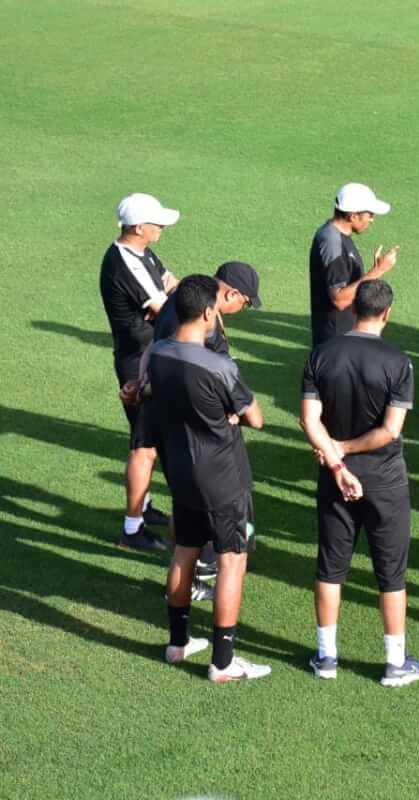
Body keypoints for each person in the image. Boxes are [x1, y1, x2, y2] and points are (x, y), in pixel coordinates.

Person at [300, 280, 419, 688]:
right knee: (390, 572)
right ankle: (395, 664)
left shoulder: (322, 354)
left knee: (331, 567)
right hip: (385, 479)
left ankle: (326, 657)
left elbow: (309, 420)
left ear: (354, 308)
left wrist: (338, 461)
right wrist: (347, 448)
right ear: (387, 313)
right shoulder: (399, 362)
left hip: (335, 477)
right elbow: (390, 431)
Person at [151, 275, 268, 682]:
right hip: (223, 475)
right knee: (232, 560)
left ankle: (178, 644)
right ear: (206, 312)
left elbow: (145, 393)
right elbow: (255, 416)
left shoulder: (158, 352)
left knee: (184, 549)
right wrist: (233, 413)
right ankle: (222, 662)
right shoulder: (219, 365)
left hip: (180, 470)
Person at [102, 193, 179, 552]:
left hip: (147, 354)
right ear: (138, 227)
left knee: (150, 441)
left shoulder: (140, 251)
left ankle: (144, 511)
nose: (162, 227)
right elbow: (166, 308)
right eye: (157, 223)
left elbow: (171, 284)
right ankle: (131, 530)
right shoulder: (126, 263)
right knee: (145, 446)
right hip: (139, 363)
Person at [308, 183, 398, 347]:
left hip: (342, 336)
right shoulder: (332, 242)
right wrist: (378, 270)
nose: (371, 219)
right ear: (353, 216)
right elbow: (340, 299)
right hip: (336, 339)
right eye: (369, 214)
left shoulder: (336, 235)